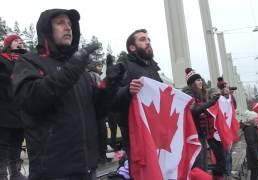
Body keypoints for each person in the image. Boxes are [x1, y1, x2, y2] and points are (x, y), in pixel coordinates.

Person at [12, 9, 120, 180]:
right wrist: (73, 67)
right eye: (61, 23)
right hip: (52, 171)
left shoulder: (79, 70)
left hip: (86, 169)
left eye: (70, 24)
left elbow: (97, 112)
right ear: (47, 29)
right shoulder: (29, 61)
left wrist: (110, 85)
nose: (68, 27)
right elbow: (32, 100)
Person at [111, 29, 162, 178]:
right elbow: (111, 100)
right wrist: (127, 90)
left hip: (156, 134)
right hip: (136, 136)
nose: (147, 42)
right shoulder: (123, 66)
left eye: (148, 39)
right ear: (132, 47)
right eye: (142, 39)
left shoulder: (154, 68)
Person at [0, 34, 28, 180]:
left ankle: (15, 172)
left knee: (16, 142)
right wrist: (11, 77)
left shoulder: (24, 60)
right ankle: (2, 174)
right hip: (4, 109)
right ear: (8, 44)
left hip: (20, 110)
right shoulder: (1, 59)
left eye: (21, 41)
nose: (20, 42)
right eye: (16, 41)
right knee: (2, 143)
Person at [182, 68, 218, 171]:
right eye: (198, 80)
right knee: (198, 165)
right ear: (192, 83)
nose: (201, 81)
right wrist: (211, 102)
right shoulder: (188, 93)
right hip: (194, 134)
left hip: (201, 134)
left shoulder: (201, 95)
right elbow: (194, 110)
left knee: (204, 164)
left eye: (201, 79)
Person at [242, 111, 258, 180]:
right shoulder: (249, 129)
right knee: (255, 176)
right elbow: (251, 144)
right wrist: (256, 158)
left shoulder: (253, 127)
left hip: (257, 156)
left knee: (257, 176)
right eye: (255, 118)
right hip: (254, 157)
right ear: (251, 119)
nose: (257, 119)